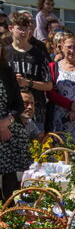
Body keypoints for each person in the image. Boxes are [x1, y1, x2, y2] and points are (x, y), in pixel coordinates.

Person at [5, 11, 52, 132]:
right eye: (20, 29)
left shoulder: (39, 54)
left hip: (35, 113)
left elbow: (49, 85)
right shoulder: (4, 54)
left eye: (26, 28)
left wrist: (28, 82)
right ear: (10, 28)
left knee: (37, 143)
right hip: (9, 112)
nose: (24, 32)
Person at [0, 44, 31, 200]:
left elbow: (18, 105)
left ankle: (10, 208)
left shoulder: (6, 71)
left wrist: (8, 121)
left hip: (8, 126)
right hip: (2, 129)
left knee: (10, 176)